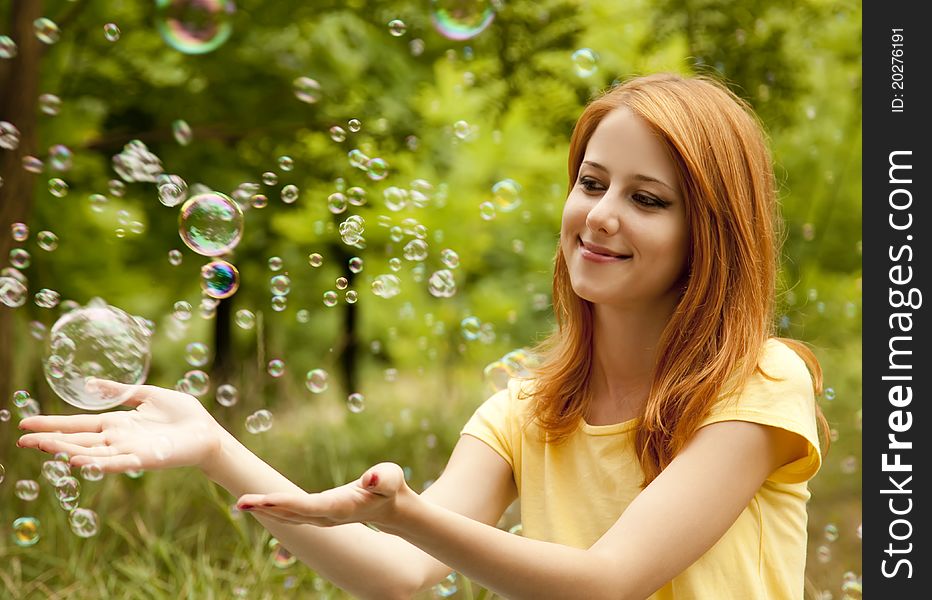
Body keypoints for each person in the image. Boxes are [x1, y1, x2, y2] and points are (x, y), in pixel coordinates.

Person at [17, 72, 830, 600]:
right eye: (591, 182)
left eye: (649, 199)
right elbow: (401, 575)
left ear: (711, 233)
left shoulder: (758, 383)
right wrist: (215, 449)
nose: (602, 214)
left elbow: (607, 582)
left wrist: (403, 512)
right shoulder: (529, 410)